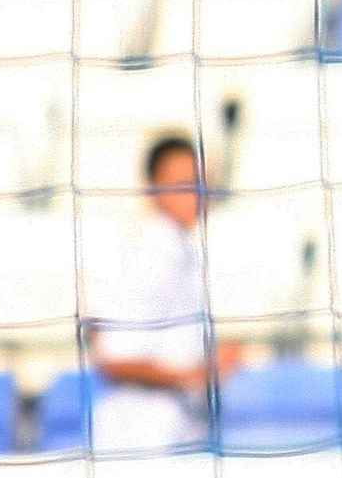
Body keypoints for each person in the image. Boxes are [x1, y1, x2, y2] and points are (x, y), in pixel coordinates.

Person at [89, 134, 243, 454]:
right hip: (139, 434)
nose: (195, 193)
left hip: (177, 428)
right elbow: (114, 358)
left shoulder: (183, 250)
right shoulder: (148, 256)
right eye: (181, 182)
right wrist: (198, 373)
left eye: (198, 181)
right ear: (153, 188)